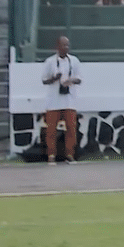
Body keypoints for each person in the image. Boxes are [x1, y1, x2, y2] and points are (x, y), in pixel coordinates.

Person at [40, 36, 82, 164]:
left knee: (71, 128)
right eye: (63, 45)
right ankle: (51, 155)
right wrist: (54, 79)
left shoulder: (74, 61)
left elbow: (79, 79)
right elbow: (44, 80)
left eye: (67, 45)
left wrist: (71, 81)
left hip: (69, 100)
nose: (66, 48)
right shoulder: (50, 62)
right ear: (57, 47)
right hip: (54, 100)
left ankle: (70, 155)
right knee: (51, 129)